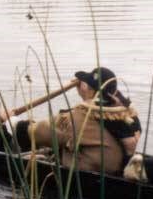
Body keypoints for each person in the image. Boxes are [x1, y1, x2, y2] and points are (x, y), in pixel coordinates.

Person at [8, 66, 140, 175]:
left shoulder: (82, 116)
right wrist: (86, 94)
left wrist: (14, 124)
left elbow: (45, 131)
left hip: (90, 171)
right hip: (118, 169)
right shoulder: (128, 114)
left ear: (91, 90)